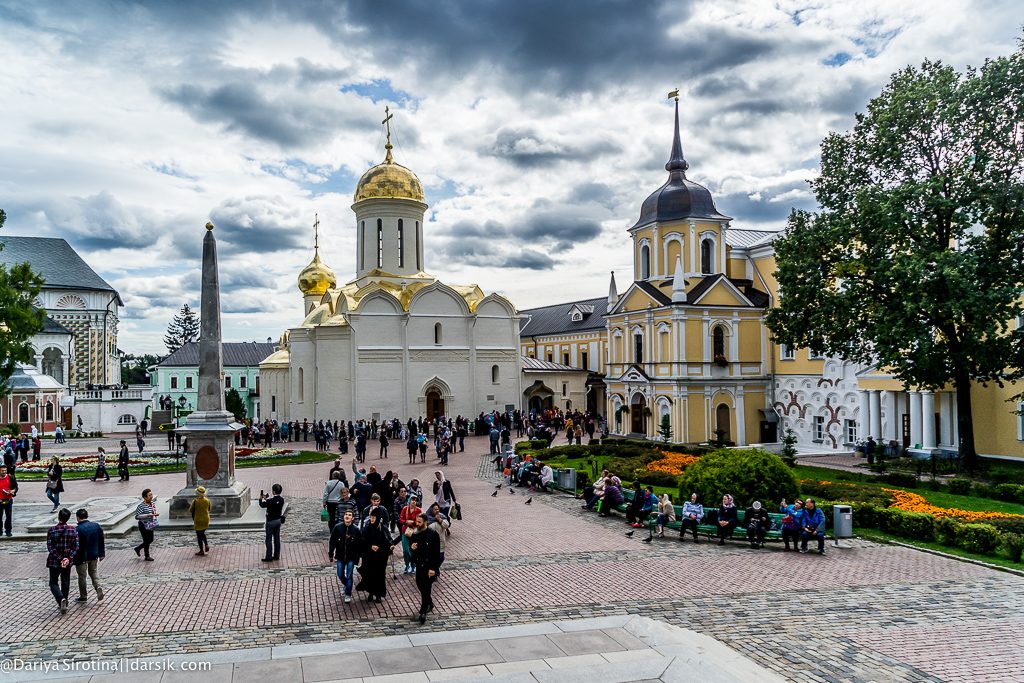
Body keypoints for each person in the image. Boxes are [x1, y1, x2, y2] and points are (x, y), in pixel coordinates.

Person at [409, 512, 441, 624]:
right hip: (419, 565)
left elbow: (436, 553)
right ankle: (429, 602)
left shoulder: (433, 534)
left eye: (419, 522)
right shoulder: (415, 534)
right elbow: (412, 547)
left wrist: (433, 568)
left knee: (426, 587)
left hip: (429, 566)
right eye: (416, 521)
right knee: (420, 584)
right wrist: (412, 548)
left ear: (425, 522)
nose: (417, 524)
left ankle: (423, 612)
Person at [46, 508, 78, 615]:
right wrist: (68, 558)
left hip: (54, 561)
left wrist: (59, 558)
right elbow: (76, 547)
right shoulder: (73, 530)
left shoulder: (52, 530)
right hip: (67, 561)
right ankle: (65, 601)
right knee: (65, 581)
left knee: (53, 582)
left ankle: (60, 600)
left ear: (59, 517)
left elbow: (50, 547)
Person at [355, 508, 390, 602]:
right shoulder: (367, 528)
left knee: (379, 576)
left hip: (380, 557)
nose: (372, 519)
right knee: (370, 575)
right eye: (371, 517)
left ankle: (378, 594)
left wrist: (380, 547)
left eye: (374, 517)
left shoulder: (383, 528)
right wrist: (370, 546)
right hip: (369, 556)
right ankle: (371, 592)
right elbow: (362, 541)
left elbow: (388, 541)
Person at [329, 509, 362, 604]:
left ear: (352, 518)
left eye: (349, 515)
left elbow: (359, 544)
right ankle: (346, 585)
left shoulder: (356, 530)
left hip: (351, 556)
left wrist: (358, 556)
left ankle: (348, 593)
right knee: (340, 573)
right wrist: (331, 553)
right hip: (340, 555)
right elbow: (332, 541)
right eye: (346, 514)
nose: (347, 516)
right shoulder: (337, 528)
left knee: (349, 575)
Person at [73, 508, 105, 603]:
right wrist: (101, 553)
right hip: (94, 554)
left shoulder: (78, 529)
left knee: (82, 576)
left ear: (78, 517)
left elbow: (76, 545)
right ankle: (98, 586)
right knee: (93, 572)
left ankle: (83, 596)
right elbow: (101, 540)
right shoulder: (96, 526)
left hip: (81, 556)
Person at [259, 484, 285, 562]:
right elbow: (274, 502)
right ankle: (276, 555)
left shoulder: (270, 501)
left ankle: (269, 556)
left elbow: (262, 505)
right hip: (278, 521)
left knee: (269, 539)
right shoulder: (281, 500)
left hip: (270, 522)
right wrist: (266, 498)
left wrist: (260, 499)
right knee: (277, 538)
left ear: (273, 491)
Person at [399, 495, 422, 574]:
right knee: (406, 550)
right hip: (405, 531)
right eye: (412, 500)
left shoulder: (418, 510)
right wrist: (406, 522)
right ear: (409, 501)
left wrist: (413, 522)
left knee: (414, 549)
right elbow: (401, 518)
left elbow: (420, 521)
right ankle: (406, 564)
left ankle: (413, 565)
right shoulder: (405, 509)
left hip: (414, 532)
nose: (414, 501)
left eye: (415, 500)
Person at [134, 488, 158, 561]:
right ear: (145, 497)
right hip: (143, 525)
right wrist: (147, 515)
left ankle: (138, 548)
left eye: (151, 495)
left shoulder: (152, 504)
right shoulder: (141, 506)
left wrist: (154, 515)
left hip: (150, 524)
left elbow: (153, 513)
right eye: (149, 495)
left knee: (150, 539)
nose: (151, 496)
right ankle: (147, 556)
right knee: (146, 540)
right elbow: (137, 516)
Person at [427, 503, 450, 576]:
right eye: (435, 509)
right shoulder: (428, 518)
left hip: (441, 542)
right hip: (432, 544)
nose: (437, 511)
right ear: (432, 510)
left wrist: (439, 520)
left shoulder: (442, 517)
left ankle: (436, 569)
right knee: (434, 559)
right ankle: (435, 572)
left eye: (438, 509)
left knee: (441, 558)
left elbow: (446, 525)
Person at [189, 486, 212, 556]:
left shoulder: (195, 501)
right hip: (206, 519)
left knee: (199, 535)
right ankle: (206, 544)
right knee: (202, 533)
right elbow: (209, 508)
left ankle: (201, 550)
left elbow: (190, 510)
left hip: (198, 520)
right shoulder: (207, 500)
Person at [0, 465, 17, 537]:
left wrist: (13, 491)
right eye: (2, 471)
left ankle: (8, 530)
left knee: (8, 516)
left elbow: (15, 487)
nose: (4, 472)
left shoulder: (10, 477)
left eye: (5, 471)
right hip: (0, 500)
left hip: (8, 499)